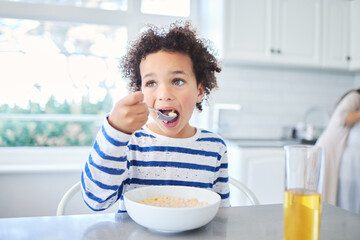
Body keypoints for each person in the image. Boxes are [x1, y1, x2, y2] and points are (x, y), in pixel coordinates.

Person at [80, 21, 230, 213]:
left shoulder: (214, 147)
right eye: (151, 83)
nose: (163, 94)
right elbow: (96, 200)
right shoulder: (130, 142)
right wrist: (115, 131)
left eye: (177, 81)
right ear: (140, 91)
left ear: (199, 91)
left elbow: (223, 214)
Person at [315, 89, 360, 206]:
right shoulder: (355, 97)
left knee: (326, 189)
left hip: (333, 148)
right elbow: (342, 118)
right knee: (324, 189)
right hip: (329, 147)